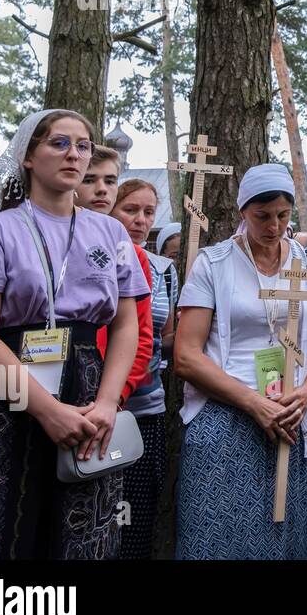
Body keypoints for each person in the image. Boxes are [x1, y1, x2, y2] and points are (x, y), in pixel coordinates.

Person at [0, 109, 146, 559]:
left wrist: (107, 403)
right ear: (28, 156)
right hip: (2, 387)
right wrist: (47, 411)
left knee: (79, 525)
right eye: (58, 143)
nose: (73, 154)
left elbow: (126, 324)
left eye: (82, 145)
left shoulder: (111, 232)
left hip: (86, 387)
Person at [173, 163, 307, 559]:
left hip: (289, 415)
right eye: (262, 216)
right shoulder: (214, 263)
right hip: (225, 413)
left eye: (283, 215)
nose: (274, 226)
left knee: (281, 535)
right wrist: (253, 403)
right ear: (242, 210)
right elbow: (186, 356)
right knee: (216, 534)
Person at [110, 178, 172, 558]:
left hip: (145, 405)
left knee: (135, 515)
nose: (140, 220)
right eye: (130, 209)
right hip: (101, 405)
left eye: (148, 212)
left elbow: (162, 334)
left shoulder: (162, 269)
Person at [76, 152, 153, 409]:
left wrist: (114, 397)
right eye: (89, 179)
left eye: (110, 181)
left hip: (104, 388)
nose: (101, 190)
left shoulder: (130, 252)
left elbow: (140, 334)